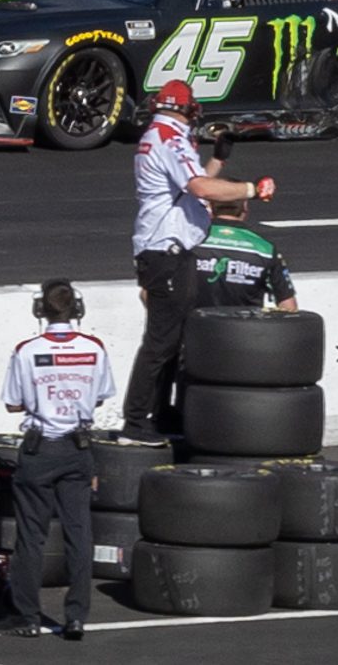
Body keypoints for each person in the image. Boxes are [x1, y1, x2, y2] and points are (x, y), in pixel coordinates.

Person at [124, 82, 274, 442]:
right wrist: (252, 189)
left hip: (169, 249)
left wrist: (219, 159)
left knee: (173, 339)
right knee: (161, 341)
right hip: (166, 251)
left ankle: (161, 413)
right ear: (187, 109)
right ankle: (137, 420)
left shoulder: (160, 134)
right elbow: (201, 190)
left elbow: (190, 185)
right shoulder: (170, 137)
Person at [0, 280, 115, 640]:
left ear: (40, 310)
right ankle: (77, 616)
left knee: (31, 537)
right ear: (77, 309)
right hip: (78, 448)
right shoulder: (94, 348)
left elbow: (12, 402)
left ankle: (28, 617)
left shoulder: (26, 350)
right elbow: (101, 396)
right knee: (79, 533)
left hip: (39, 448)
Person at [192, 184, 298, 311]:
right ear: (245, 207)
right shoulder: (265, 249)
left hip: (193, 327)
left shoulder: (190, 242)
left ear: (210, 207)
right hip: (245, 328)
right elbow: (288, 306)